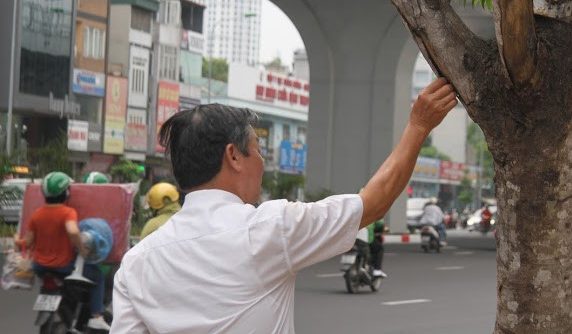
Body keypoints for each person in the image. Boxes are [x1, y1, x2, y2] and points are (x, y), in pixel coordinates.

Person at [110, 77, 457, 333]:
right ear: (233, 156)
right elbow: (374, 203)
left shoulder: (137, 262)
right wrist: (419, 125)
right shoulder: (269, 228)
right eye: (258, 150)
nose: (262, 163)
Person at [15, 172, 110, 331]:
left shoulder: (37, 214)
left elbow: (29, 242)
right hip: (63, 267)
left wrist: (17, 240)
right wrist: (82, 248)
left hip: (39, 268)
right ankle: (96, 316)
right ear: (65, 193)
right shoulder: (67, 212)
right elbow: (72, 231)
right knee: (99, 278)